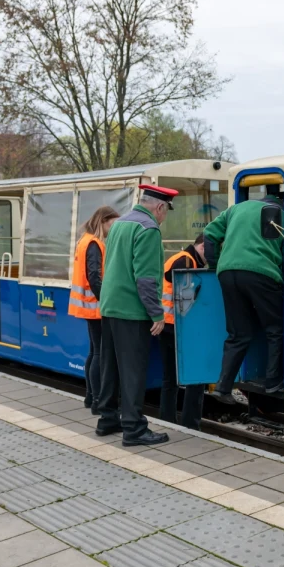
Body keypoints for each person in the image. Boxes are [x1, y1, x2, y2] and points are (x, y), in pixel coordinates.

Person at [94, 184, 178, 446]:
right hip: (131, 310)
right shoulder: (148, 228)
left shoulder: (120, 224)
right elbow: (146, 278)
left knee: (111, 367)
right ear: (160, 207)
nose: (164, 218)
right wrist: (156, 314)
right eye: (166, 212)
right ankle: (133, 428)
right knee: (133, 370)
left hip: (110, 307)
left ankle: (107, 419)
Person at [202, 184, 284, 401]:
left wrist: (215, 265)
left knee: (238, 334)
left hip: (227, 273)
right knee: (275, 328)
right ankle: (273, 382)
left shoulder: (235, 209)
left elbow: (209, 235)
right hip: (262, 273)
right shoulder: (281, 213)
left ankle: (223, 387)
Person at [68, 205, 120, 415]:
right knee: (99, 353)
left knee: (93, 351)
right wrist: (105, 301)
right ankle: (99, 401)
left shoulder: (84, 240)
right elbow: (94, 276)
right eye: (111, 224)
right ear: (103, 221)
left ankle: (90, 396)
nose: (112, 229)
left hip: (86, 304)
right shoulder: (94, 243)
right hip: (95, 306)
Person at [160, 233, 207, 429]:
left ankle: (167, 421)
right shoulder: (186, 261)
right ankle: (190, 424)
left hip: (168, 325)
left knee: (170, 379)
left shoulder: (183, 258)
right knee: (197, 375)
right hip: (176, 327)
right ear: (202, 247)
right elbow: (185, 299)